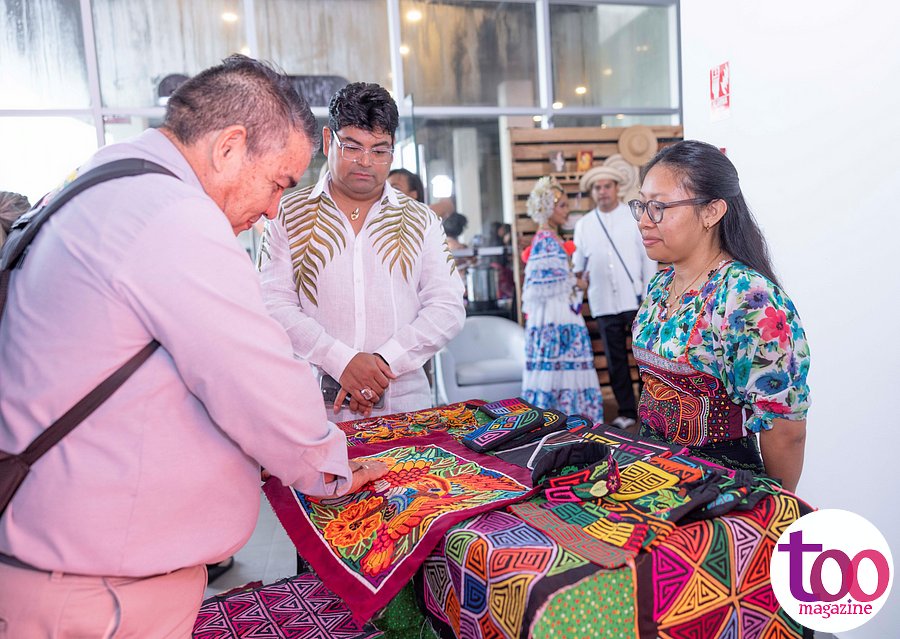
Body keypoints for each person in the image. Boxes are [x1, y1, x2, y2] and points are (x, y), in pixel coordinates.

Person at [0, 56, 389, 636]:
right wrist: (329, 467)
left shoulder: (108, 181)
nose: (272, 210)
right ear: (230, 147)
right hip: (94, 592)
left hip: (67, 567)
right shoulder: (172, 215)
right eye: (278, 183)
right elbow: (256, 376)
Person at [258, 82, 465, 422]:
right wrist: (341, 361)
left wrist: (383, 363)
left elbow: (447, 306)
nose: (366, 162)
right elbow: (272, 303)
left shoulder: (421, 220)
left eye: (379, 151)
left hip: (403, 406)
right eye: (352, 147)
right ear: (328, 141)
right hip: (312, 409)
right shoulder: (287, 214)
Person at [630, 140, 809, 491]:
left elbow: (786, 432)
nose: (644, 221)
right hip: (654, 478)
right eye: (641, 205)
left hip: (717, 489)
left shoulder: (748, 298)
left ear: (711, 212)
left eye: (659, 207)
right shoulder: (661, 283)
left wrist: (776, 508)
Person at [572, 165, 656, 429]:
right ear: (592, 192)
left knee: (644, 357)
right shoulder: (584, 225)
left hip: (635, 299)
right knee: (615, 359)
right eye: (598, 187)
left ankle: (650, 409)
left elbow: (647, 258)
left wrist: (648, 294)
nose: (603, 191)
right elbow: (578, 264)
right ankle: (627, 411)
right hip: (603, 302)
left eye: (607, 186)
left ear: (616, 188)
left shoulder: (633, 219)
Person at [520, 176, 603, 423]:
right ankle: (562, 420)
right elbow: (549, 285)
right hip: (556, 316)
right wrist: (578, 283)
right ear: (548, 208)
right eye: (562, 205)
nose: (567, 211)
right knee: (562, 367)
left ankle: (561, 420)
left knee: (561, 369)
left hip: (558, 312)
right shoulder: (547, 240)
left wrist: (573, 280)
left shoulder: (548, 239)